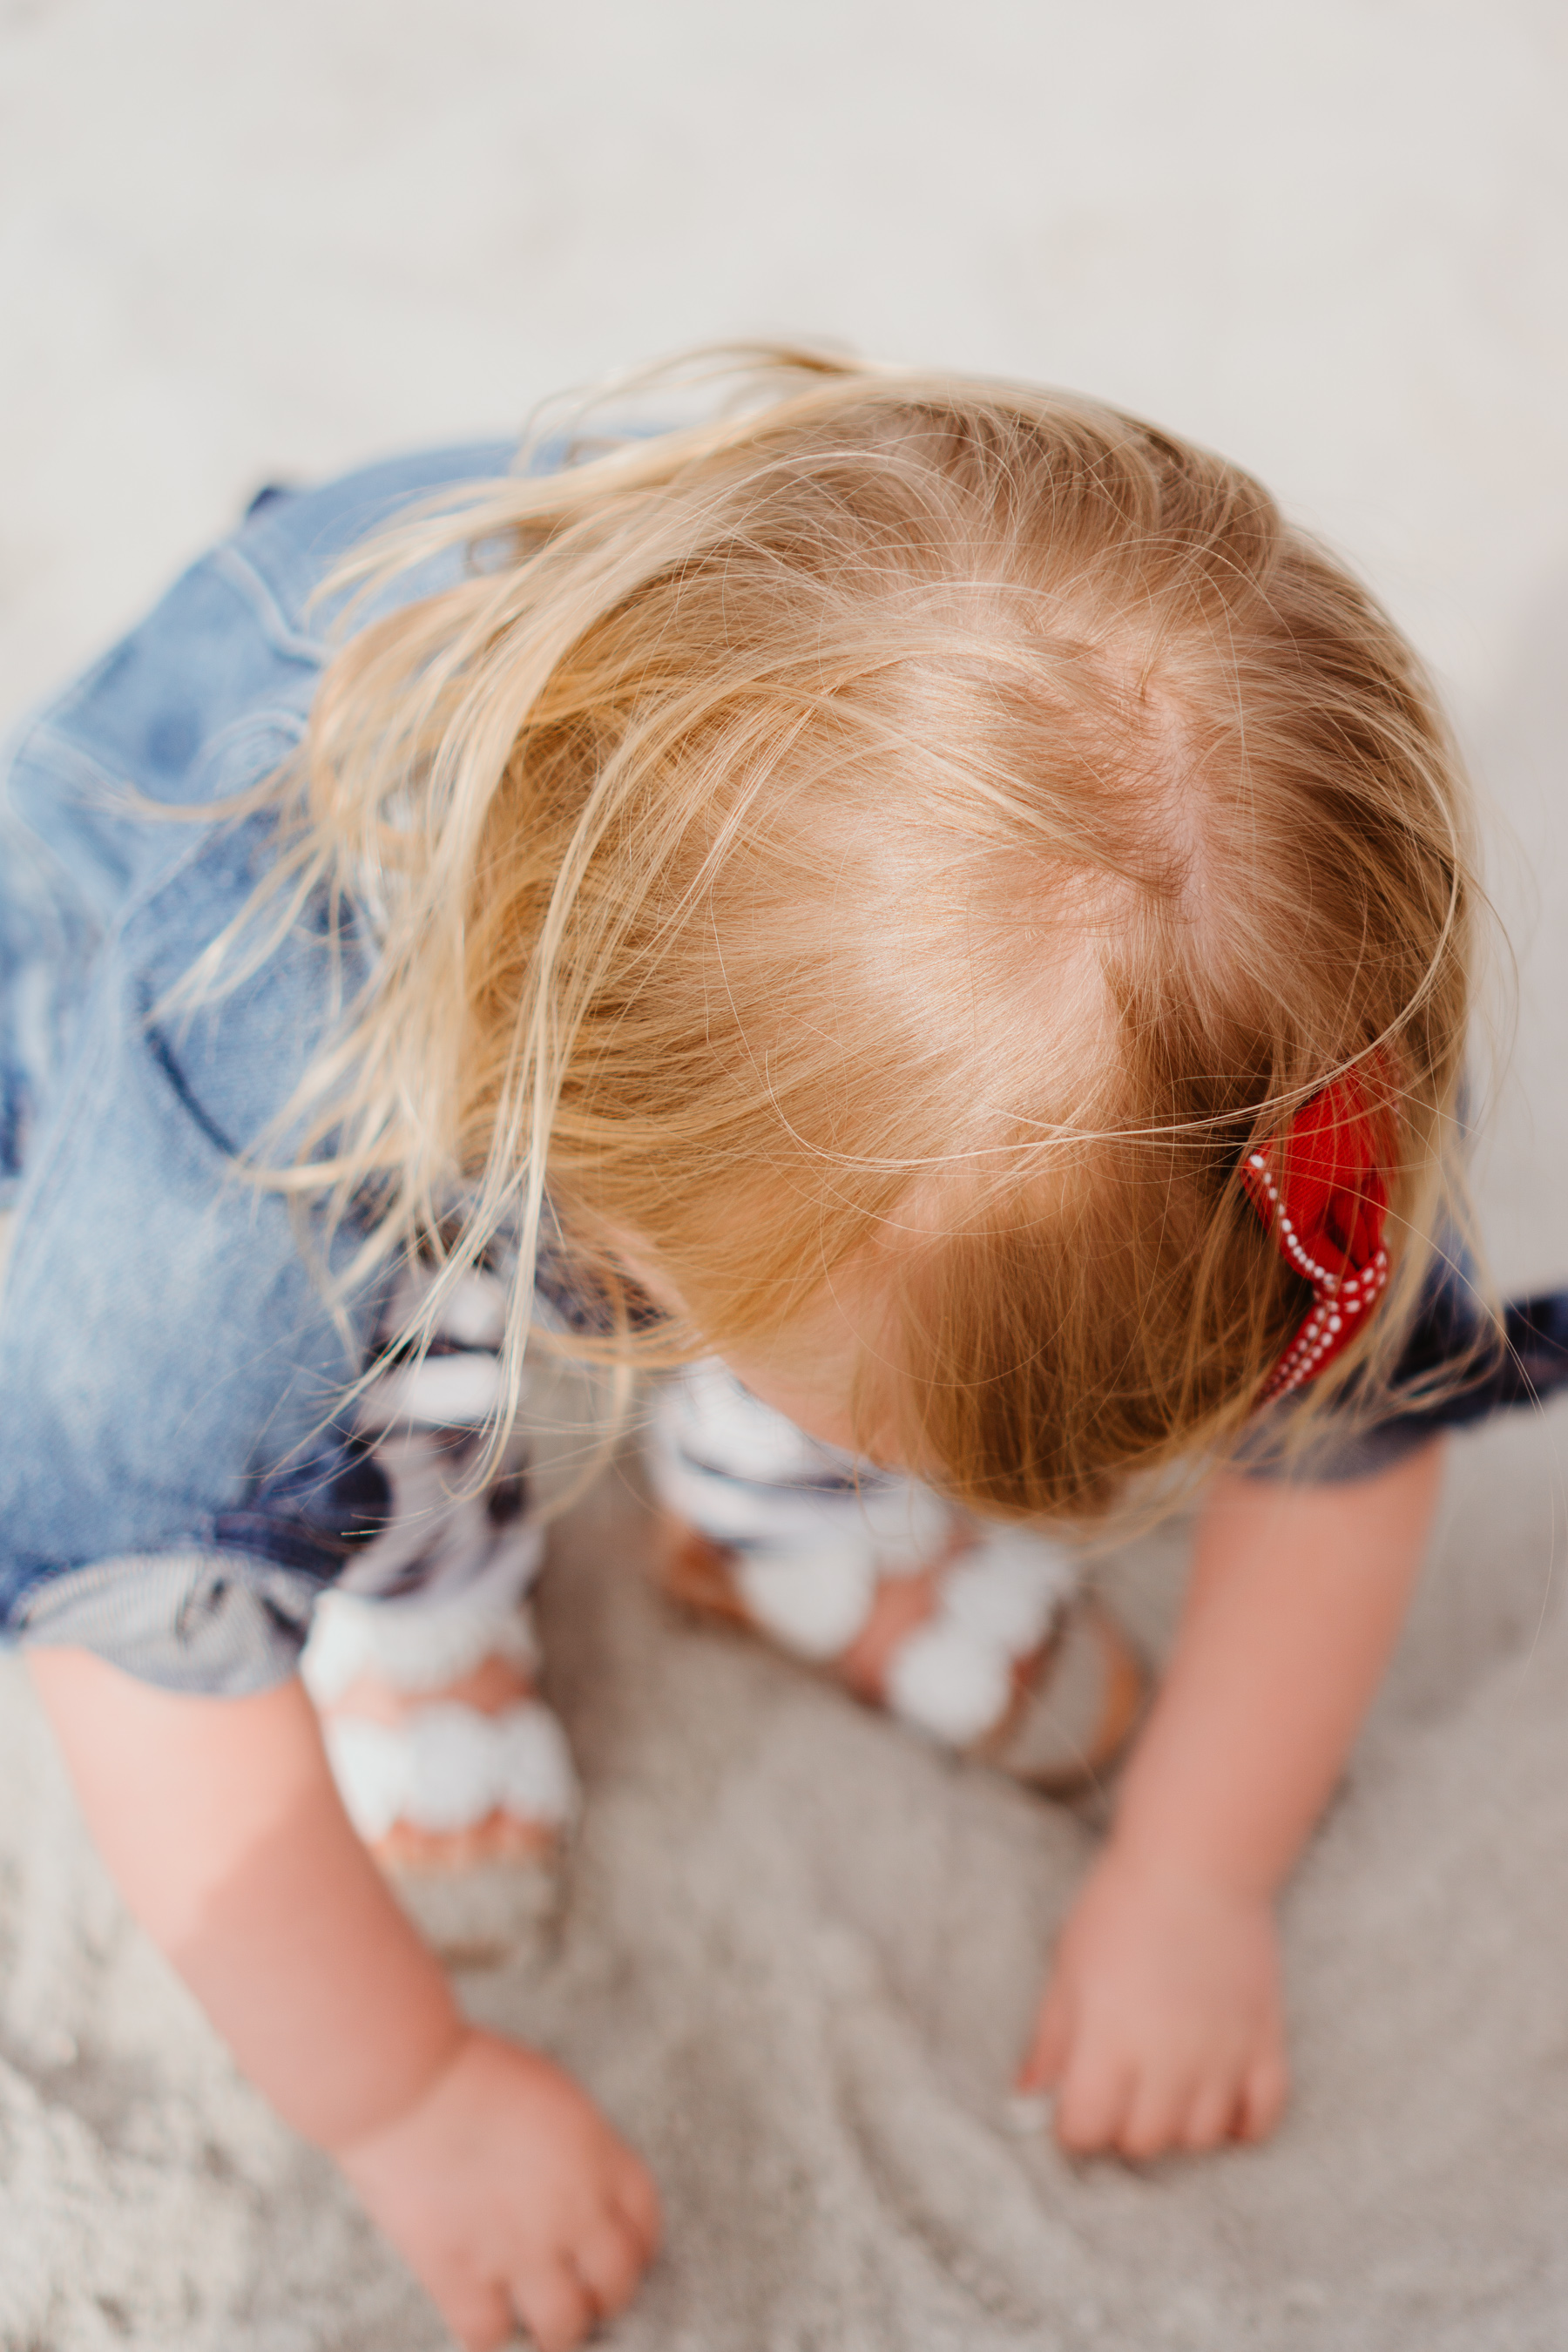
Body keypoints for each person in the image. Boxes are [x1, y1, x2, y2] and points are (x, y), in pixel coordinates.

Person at [3, 353, 1561, 2352]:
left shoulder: (1261, 999)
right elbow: (141, 1617)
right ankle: (422, 1593)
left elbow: (1348, 1434)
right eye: (911, 1441)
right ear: (627, 1205)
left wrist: (1195, 1876)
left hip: (702, 1045)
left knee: (855, 1230)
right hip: (201, 884)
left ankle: (769, 1514)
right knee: (370, 1394)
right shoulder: (252, 1072)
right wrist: (409, 2100)